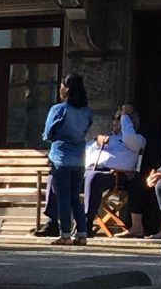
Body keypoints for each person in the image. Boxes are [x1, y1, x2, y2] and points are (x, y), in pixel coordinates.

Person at [37, 75, 94, 243]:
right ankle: (82, 233)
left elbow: (47, 134)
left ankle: (65, 234)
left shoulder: (59, 109)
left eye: (61, 85)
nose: (59, 88)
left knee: (62, 196)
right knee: (75, 196)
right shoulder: (86, 111)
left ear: (67, 88)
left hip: (61, 157)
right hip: (79, 158)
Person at [82, 105, 147, 234]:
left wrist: (125, 116)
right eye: (114, 118)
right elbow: (84, 153)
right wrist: (96, 141)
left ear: (130, 121)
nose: (115, 121)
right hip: (88, 171)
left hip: (115, 175)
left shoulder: (137, 139)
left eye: (119, 118)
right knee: (57, 178)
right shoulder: (104, 137)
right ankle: (54, 222)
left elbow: (129, 138)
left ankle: (86, 223)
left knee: (93, 177)